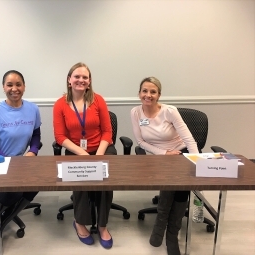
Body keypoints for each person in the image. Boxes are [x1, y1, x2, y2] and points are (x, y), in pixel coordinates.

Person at [0, 70, 42, 255]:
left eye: (18, 84)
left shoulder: (32, 109)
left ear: (24, 86)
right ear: (3, 87)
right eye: (10, 85)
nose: (14, 88)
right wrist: (9, 161)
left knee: (35, 184)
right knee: (11, 190)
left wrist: (33, 151)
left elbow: (36, 136)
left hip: (20, 162)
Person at [130, 77, 199, 255]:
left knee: (179, 185)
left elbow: (188, 138)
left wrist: (197, 161)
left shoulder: (170, 111)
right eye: (145, 91)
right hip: (160, 157)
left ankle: (170, 234)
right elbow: (140, 141)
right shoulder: (135, 112)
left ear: (159, 94)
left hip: (180, 152)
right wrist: (163, 154)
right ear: (139, 93)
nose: (148, 95)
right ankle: (161, 226)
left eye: (153, 91)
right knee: (171, 183)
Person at [53, 62, 116, 249]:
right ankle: (80, 222)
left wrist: (98, 155)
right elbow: (60, 137)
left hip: (101, 148)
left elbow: (107, 132)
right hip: (75, 149)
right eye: (77, 76)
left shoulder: (98, 100)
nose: (81, 80)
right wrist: (82, 153)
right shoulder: (60, 104)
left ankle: (103, 225)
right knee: (80, 181)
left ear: (89, 82)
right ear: (69, 80)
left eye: (85, 77)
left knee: (105, 181)